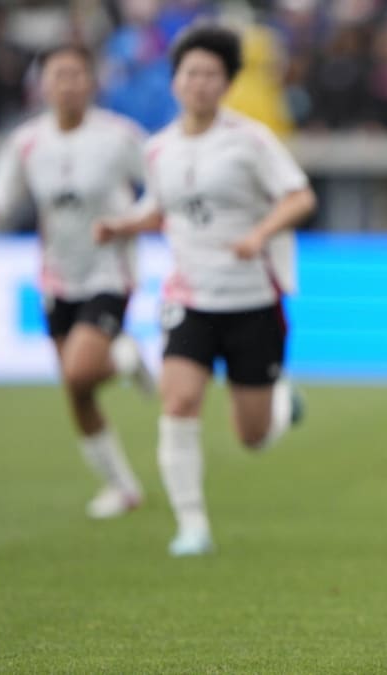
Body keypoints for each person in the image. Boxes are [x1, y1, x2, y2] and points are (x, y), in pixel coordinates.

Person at [95, 23, 317, 557]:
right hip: (188, 298)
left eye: (211, 75)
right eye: (190, 73)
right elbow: (161, 210)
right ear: (175, 81)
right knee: (178, 400)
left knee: (252, 436)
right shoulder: (159, 149)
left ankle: (282, 407)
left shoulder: (250, 140)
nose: (199, 83)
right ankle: (192, 526)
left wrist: (260, 234)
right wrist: (122, 225)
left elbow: (299, 197)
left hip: (253, 300)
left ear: (226, 83)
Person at [0, 45, 152, 520]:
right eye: (58, 75)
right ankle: (121, 486)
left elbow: (160, 183)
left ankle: (125, 355)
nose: (67, 84)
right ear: (43, 84)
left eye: (76, 75)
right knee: (78, 389)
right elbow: (4, 188)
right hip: (57, 274)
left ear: (91, 83)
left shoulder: (118, 136)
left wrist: (130, 223)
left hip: (110, 269)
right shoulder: (28, 141)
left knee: (78, 371)